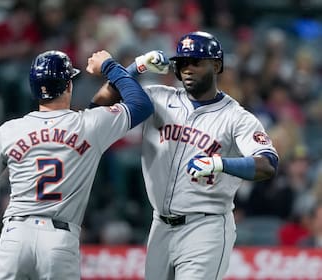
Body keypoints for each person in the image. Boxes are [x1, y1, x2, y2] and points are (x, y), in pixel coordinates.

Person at [0, 49, 153, 279]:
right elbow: (141, 105)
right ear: (68, 86)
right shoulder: (87, 126)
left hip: (16, 235)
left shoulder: (12, 129)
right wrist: (110, 66)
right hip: (59, 239)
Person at [90, 31, 279, 280]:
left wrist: (220, 163)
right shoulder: (157, 97)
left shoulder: (237, 117)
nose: (188, 69)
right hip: (160, 225)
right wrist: (136, 67)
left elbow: (268, 164)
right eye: (182, 63)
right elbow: (97, 109)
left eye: (196, 62)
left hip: (206, 227)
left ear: (216, 65)